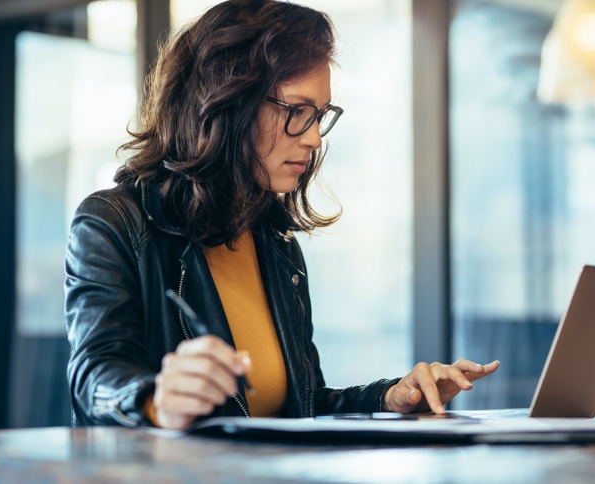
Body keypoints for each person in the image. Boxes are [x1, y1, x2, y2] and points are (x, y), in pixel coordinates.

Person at [65, 0, 499, 430]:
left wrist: (392, 397)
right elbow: (93, 379)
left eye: (319, 116)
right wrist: (158, 401)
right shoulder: (113, 223)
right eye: (296, 112)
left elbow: (301, 406)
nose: (313, 138)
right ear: (227, 102)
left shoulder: (274, 239)